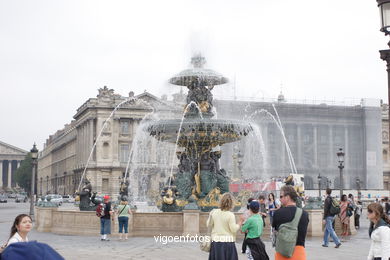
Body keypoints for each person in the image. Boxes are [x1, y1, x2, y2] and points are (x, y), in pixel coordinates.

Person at [272, 185, 309, 260]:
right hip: (299, 253)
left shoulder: (278, 213)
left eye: (281, 196)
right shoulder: (304, 214)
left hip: (282, 253)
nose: (280, 199)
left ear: (288, 197)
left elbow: (275, 230)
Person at [207, 193, 240, 260]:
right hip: (228, 243)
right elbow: (233, 229)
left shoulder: (214, 212)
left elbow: (208, 224)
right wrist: (240, 223)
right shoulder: (230, 215)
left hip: (216, 242)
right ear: (231, 203)